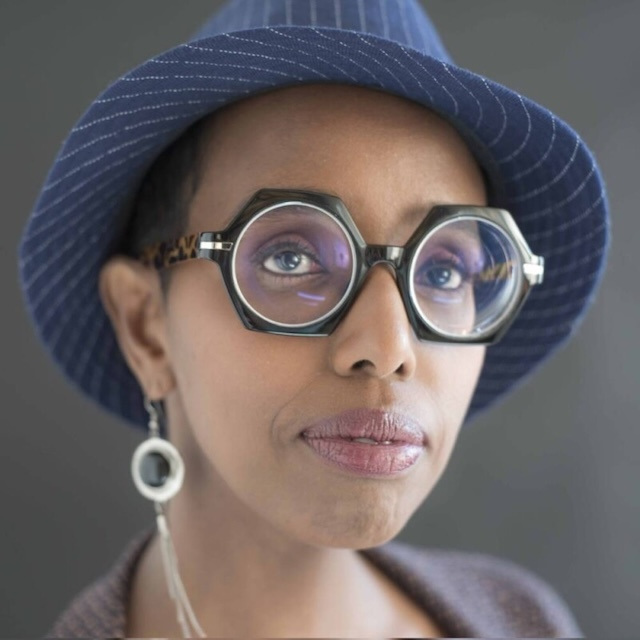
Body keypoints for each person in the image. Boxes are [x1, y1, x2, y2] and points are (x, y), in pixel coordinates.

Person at [18, 0, 609, 637]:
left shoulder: (525, 623)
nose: (388, 347)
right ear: (146, 328)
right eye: (291, 256)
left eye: (442, 272)